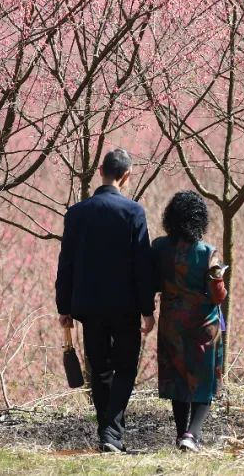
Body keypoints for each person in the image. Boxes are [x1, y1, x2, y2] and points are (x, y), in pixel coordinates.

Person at [55, 148, 155, 453]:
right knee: (125, 368)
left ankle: (108, 435)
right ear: (126, 176)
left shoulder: (77, 213)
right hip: (125, 306)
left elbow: (66, 263)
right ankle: (111, 434)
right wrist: (147, 309)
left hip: (88, 306)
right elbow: (143, 264)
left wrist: (64, 308)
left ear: (100, 171)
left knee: (98, 369)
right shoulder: (133, 212)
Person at [152, 191, 227, 452]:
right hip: (203, 326)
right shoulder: (208, 253)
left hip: (171, 322)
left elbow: (152, 282)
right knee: (203, 380)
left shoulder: (159, 247)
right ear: (200, 220)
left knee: (177, 378)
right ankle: (192, 435)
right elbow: (218, 296)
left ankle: (179, 434)